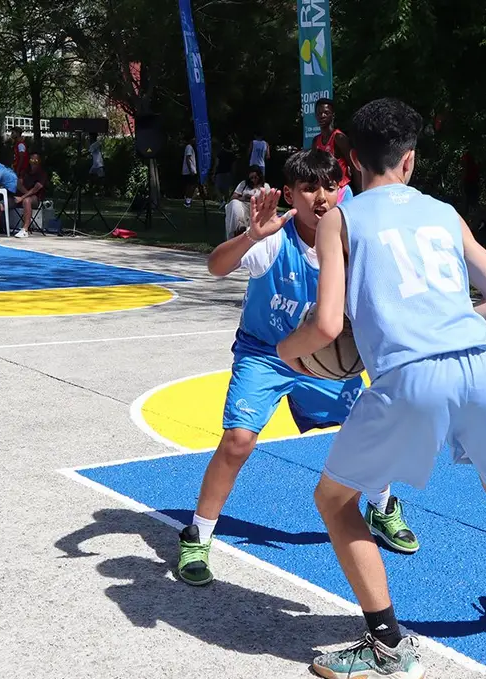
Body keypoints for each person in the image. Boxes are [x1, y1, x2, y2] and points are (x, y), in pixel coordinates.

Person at [276, 98, 486, 679]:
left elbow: (327, 326)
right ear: (409, 161)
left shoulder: (340, 219)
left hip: (409, 375)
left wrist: (287, 350)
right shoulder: (445, 213)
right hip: (481, 364)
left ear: (350, 160)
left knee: (335, 501)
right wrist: (444, 319)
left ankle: (387, 649)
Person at [177, 148, 420, 589]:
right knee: (237, 441)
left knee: (366, 432)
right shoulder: (273, 236)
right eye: (309, 188)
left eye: (330, 187)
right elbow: (215, 267)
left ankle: (382, 507)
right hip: (265, 353)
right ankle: (198, 533)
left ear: (343, 189)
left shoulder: (354, 242)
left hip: (324, 360)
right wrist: (250, 235)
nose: (321, 198)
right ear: (289, 194)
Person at [313, 98, 358, 198]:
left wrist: (361, 193)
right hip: (325, 192)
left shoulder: (339, 138)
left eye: (326, 112)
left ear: (332, 115)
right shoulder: (316, 141)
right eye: (319, 113)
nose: (322, 116)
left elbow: (354, 166)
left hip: (341, 190)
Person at [223, 166, 266, 238]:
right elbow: (233, 197)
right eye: (251, 178)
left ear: (259, 176)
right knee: (234, 203)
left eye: (255, 177)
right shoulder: (244, 184)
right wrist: (243, 198)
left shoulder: (265, 186)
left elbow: (268, 201)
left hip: (257, 207)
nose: (253, 180)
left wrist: (256, 199)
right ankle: (238, 228)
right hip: (243, 205)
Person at [16, 153, 49, 235]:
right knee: (5, 200)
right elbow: (19, 184)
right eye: (32, 159)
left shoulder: (42, 173)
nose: (34, 161)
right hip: (22, 196)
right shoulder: (24, 171)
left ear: (39, 161)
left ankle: (25, 229)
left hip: (35, 199)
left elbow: (36, 188)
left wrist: (23, 197)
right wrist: (25, 194)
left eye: (36, 160)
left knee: (26, 201)